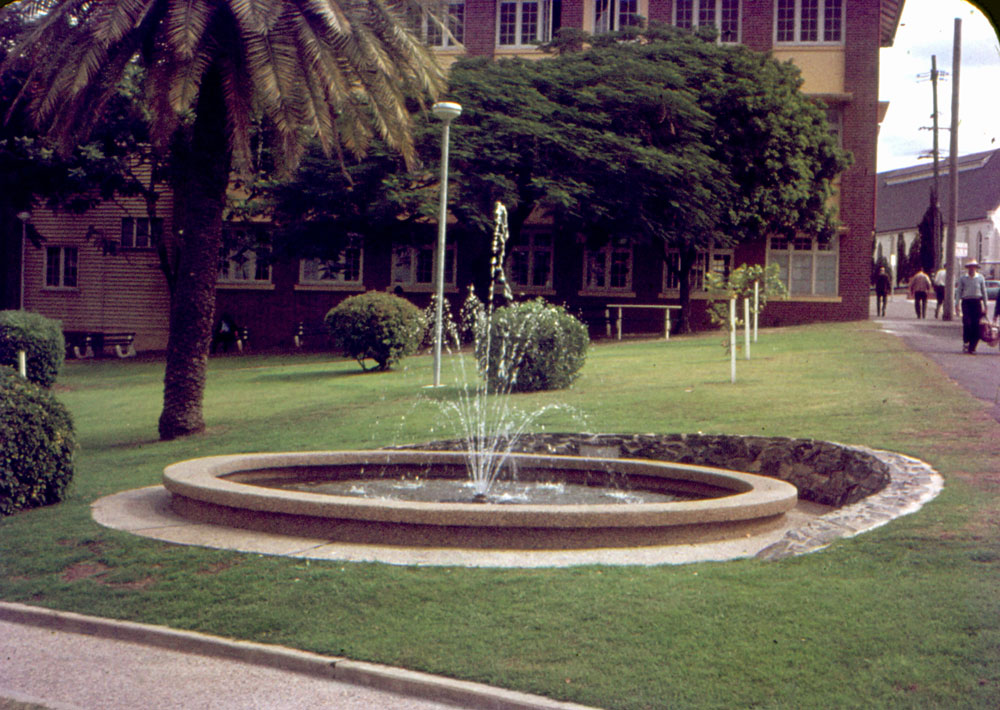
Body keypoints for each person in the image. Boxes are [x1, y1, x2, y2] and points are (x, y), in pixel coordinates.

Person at [957, 260, 988, 354]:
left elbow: (984, 292)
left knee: (976, 325)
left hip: (976, 302)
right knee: (967, 323)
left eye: (973, 266)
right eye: (970, 266)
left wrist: (986, 305)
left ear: (976, 268)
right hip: (966, 302)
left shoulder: (980, 278)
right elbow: (959, 291)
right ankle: (966, 342)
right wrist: (957, 304)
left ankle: (972, 347)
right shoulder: (963, 278)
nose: (972, 268)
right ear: (968, 268)